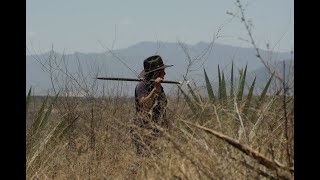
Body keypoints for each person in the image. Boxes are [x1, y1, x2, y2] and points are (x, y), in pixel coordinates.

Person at [130, 55, 173, 157]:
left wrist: (166, 127)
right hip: (142, 129)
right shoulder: (141, 86)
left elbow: (161, 108)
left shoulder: (159, 88)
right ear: (156, 73)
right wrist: (155, 89)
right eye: (162, 71)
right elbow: (145, 106)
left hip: (156, 130)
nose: (165, 74)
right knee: (143, 159)